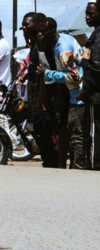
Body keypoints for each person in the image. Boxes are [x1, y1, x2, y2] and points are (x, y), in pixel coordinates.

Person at [37, 17, 86, 169]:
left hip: (78, 96)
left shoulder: (62, 48)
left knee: (77, 136)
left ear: (52, 30)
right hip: (78, 93)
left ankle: (80, 169)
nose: (40, 35)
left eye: (43, 31)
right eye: (38, 32)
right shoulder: (64, 39)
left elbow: (74, 76)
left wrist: (48, 73)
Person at [20, 12, 58, 168]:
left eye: (27, 24)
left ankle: (53, 163)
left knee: (47, 132)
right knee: (39, 131)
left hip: (47, 98)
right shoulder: (35, 46)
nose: (24, 28)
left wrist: (42, 100)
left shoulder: (46, 46)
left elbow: (47, 73)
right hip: (37, 97)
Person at [78, 0, 100, 169]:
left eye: (91, 14)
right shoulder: (93, 36)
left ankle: (93, 167)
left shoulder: (97, 36)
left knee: (94, 134)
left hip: (95, 96)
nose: (87, 17)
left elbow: (95, 66)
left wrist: (85, 90)